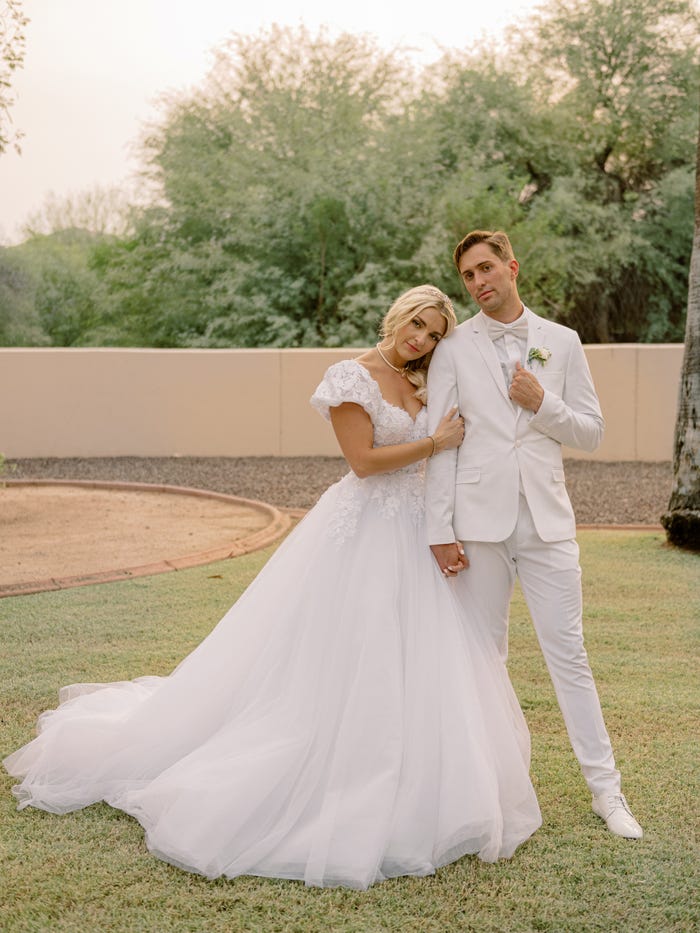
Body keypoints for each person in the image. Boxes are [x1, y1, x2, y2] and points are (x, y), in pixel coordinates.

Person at [4, 285, 541, 891]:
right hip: (363, 528)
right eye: (417, 324)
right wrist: (434, 442)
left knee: (419, 651)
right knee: (347, 646)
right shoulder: (351, 376)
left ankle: (419, 769)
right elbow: (363, 462)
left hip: (417, 529)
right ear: (398, 316)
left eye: (435, 334)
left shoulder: (424, 382)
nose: (422, 339)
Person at [425, 231, 643, 839]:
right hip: (478, 526)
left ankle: (607, 792)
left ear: (512, 267)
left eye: (485, 268)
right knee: (484, 660)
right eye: (468, 276)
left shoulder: (563, 341)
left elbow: (592, 432)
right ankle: (488, 792)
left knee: (569, 655)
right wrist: (439, 527)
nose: (478, 282)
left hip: (548, 524)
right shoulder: (452, 349)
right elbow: (442, 443)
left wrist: (542, 402)